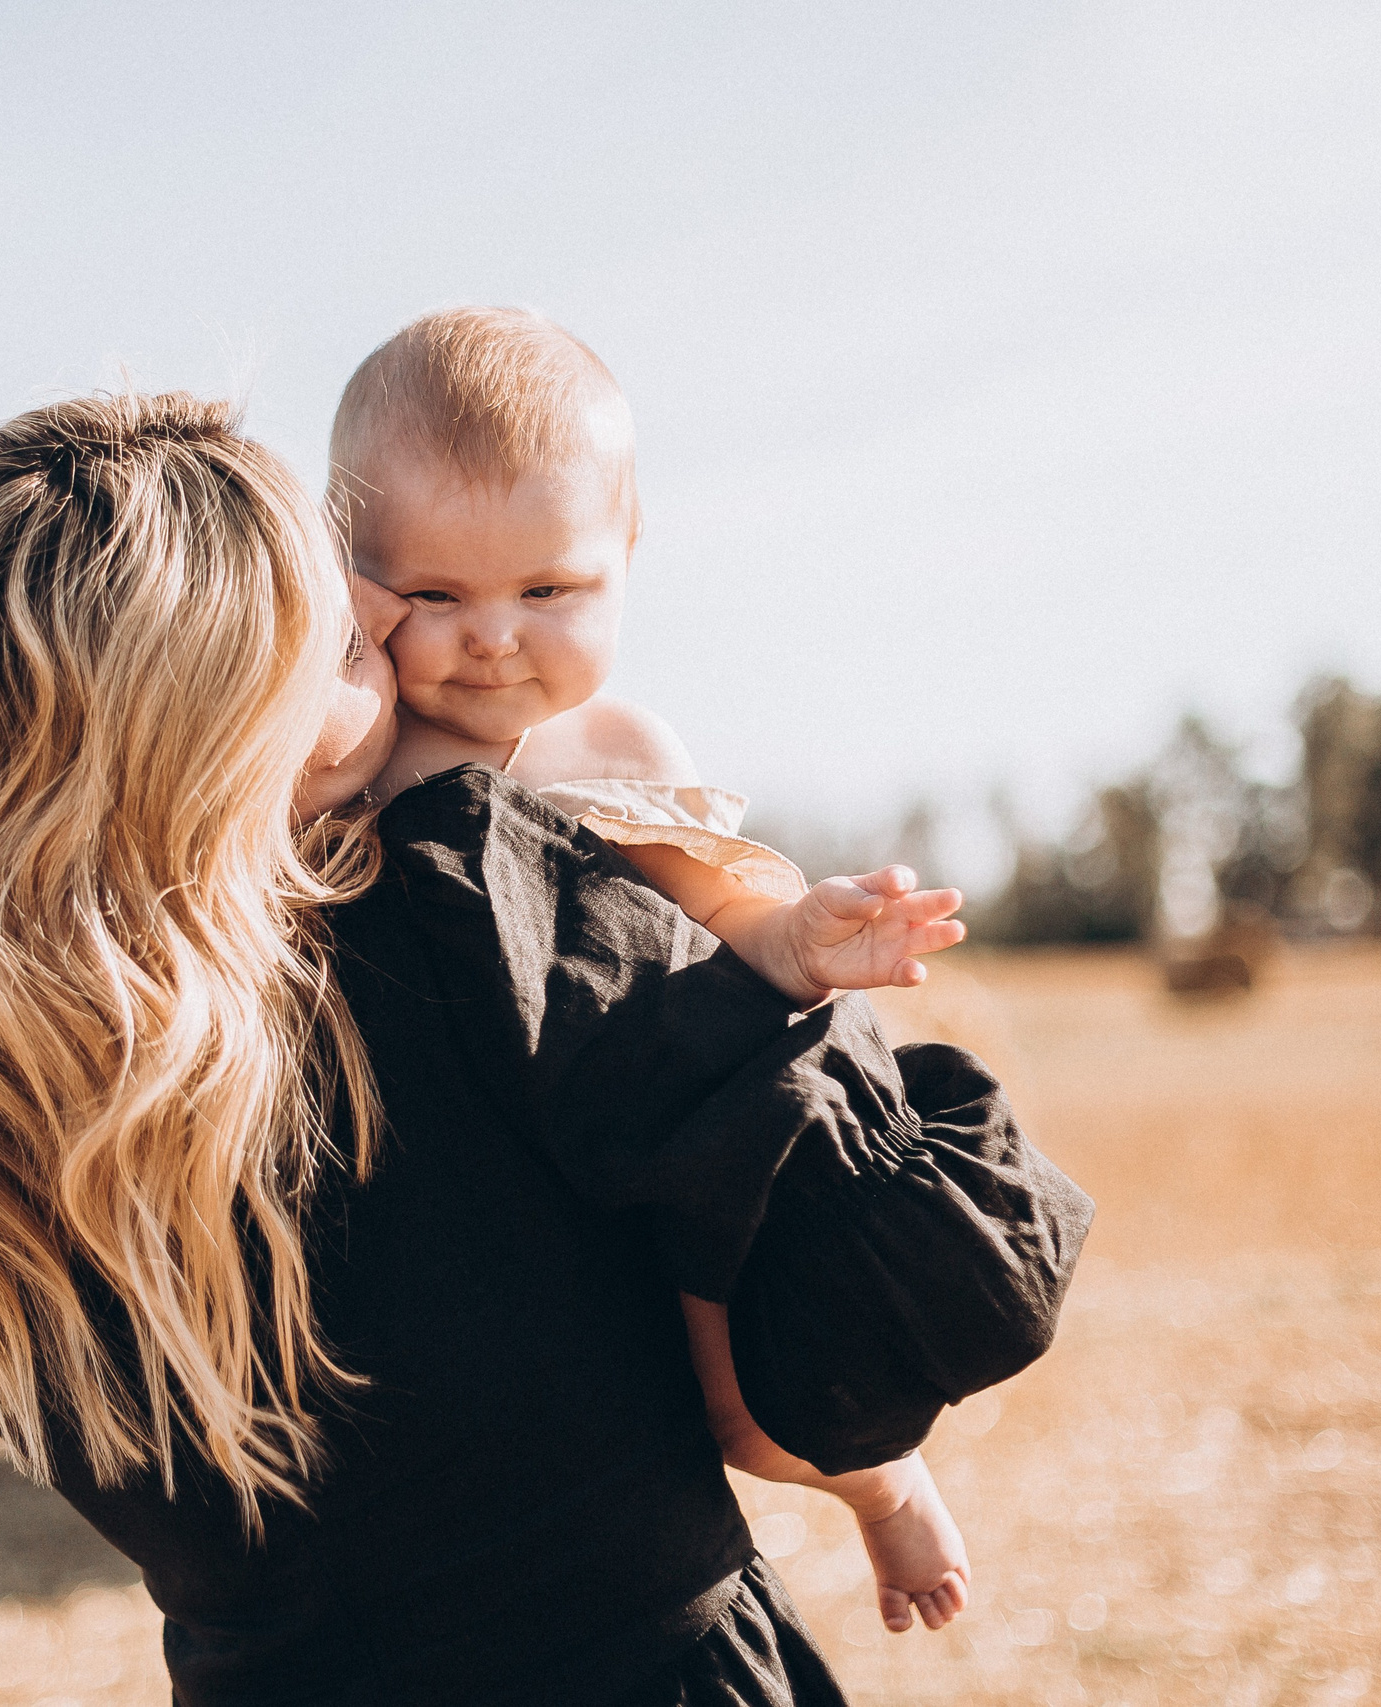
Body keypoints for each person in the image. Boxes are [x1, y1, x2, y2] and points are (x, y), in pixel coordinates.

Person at [0, 391, 1091, 1705]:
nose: (410, 630)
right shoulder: (461, 925)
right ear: (219, 739)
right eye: (344, 641)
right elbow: (912, 1307)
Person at [333, 305, 976, 1630]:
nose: (493, 636)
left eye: (548, 591)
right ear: (354, 582)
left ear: (626, 554)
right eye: (435, 595)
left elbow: (721, 899)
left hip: (646, 1134)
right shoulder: (356, 748)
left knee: (738, 1408)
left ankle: (882, 1484)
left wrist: (800, 940)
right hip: (475, 1178)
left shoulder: (616, 748)